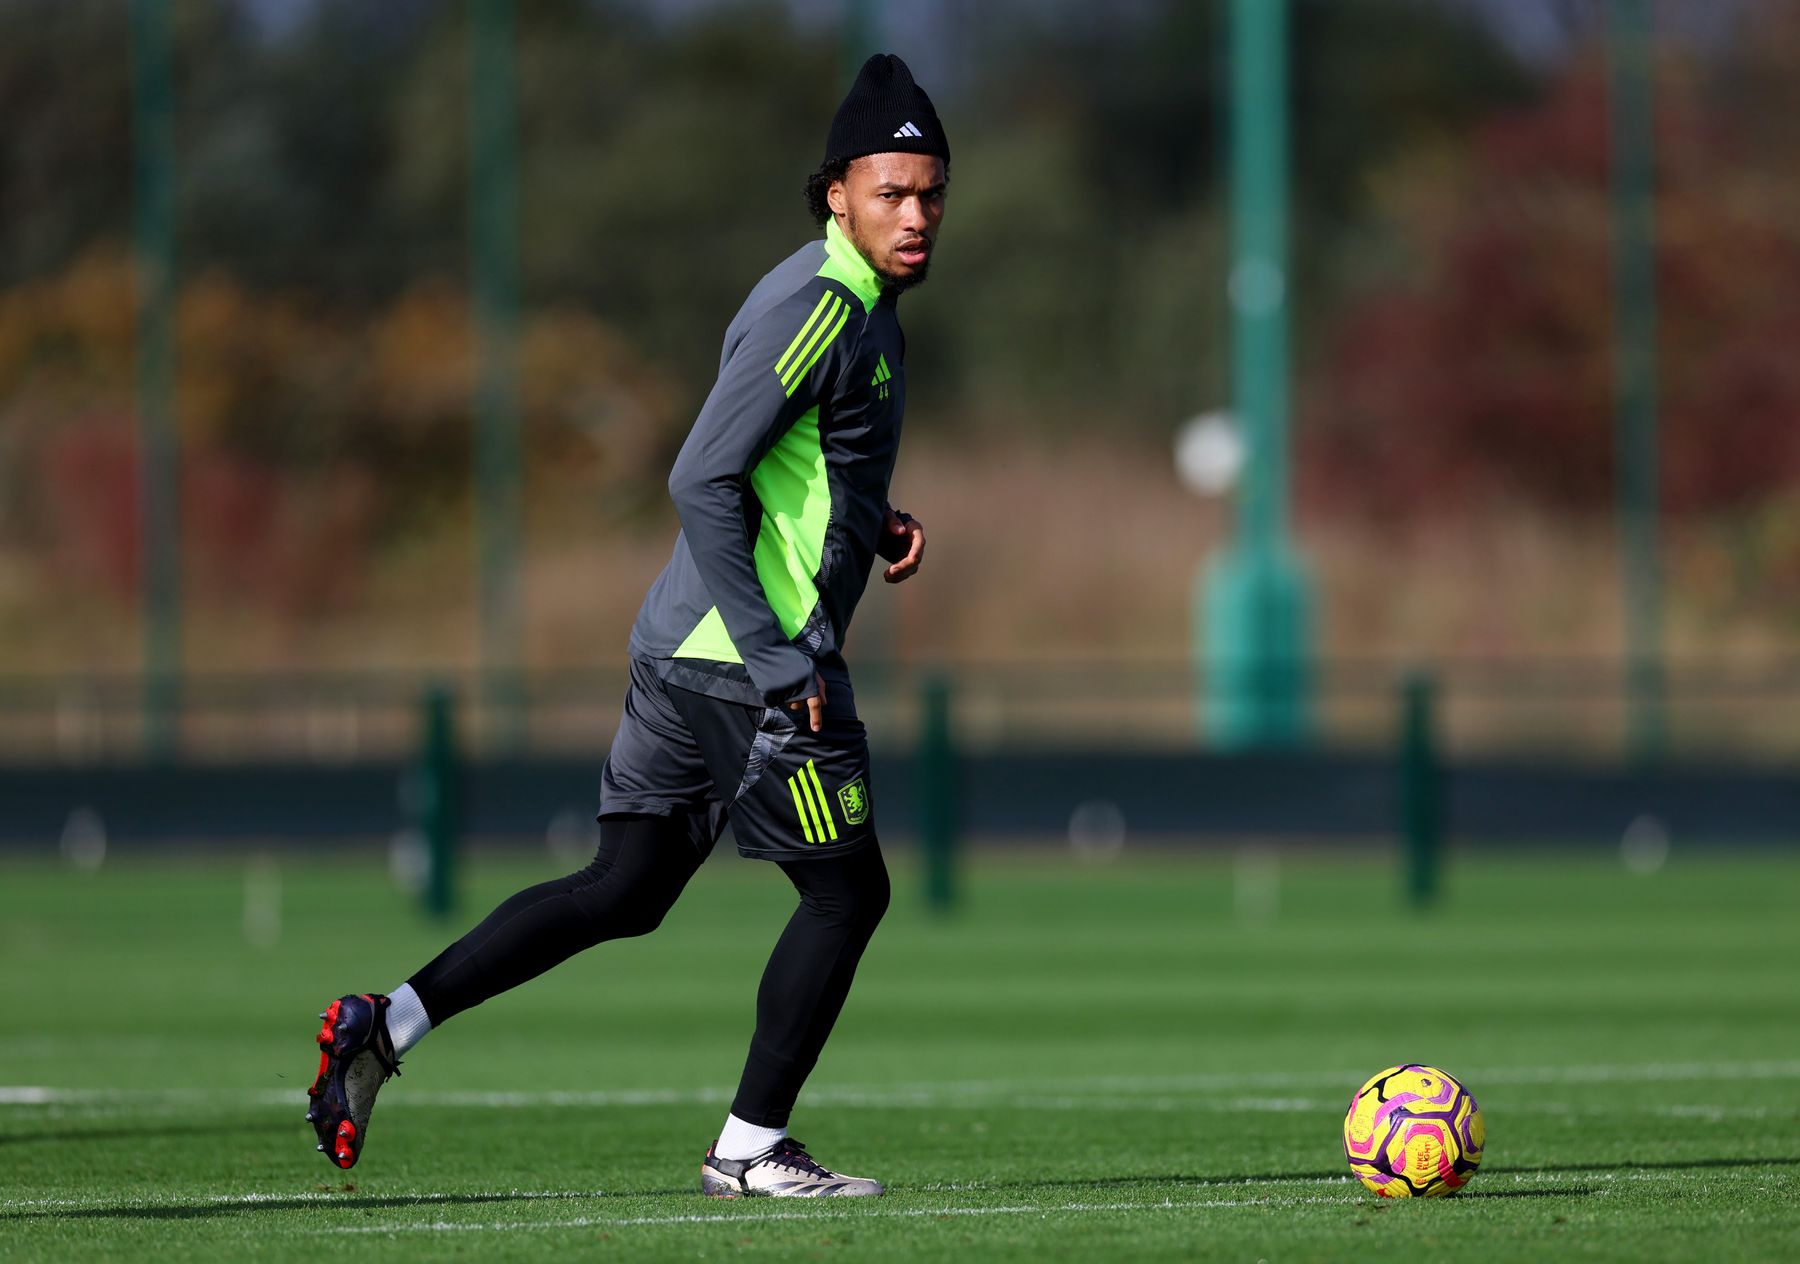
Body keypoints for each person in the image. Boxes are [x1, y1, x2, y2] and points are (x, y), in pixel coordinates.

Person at [306, 53, 949, 1200]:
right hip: (746, 667)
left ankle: (385, 1021)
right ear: (835, 192)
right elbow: (701, 475)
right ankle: (750, 1147)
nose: (914, 213)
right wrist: (778, 658)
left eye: (930, 192)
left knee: (626, 887)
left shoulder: (842, 301)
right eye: (890, 191)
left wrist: (872, 518)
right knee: (850, 895)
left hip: (682, 645)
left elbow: (786, 463)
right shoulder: (824, 307)